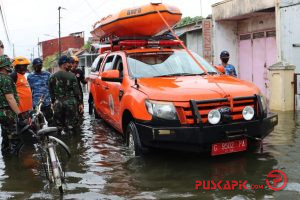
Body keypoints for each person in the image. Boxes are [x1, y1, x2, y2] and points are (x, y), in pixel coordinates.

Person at [49, 55, 83, 133]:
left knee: (59, 127)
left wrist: (53, 102)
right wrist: (80, 103)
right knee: (72, 127)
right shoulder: (72, 76)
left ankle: (60, 143)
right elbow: (77, 91)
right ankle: (73, 143)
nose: (71, 65)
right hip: (71, 104)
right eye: (69, 63)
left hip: (58, 104)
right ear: (64, 64)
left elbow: (51, 92)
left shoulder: (52, 77)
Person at [0, 55, 21, 155]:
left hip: (1, 113)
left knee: (5, 136)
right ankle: (16, 165)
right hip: (7, 112)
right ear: (5, 66)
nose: (10, 66)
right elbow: (10, 98)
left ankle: (7, 161)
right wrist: (19, 113)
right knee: (15, 139)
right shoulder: (6, 79)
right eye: (9, 64)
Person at [27, 58, 53, 125]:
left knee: (51, 121)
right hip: (36, 104)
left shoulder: (47, 74)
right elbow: (29, 91)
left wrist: (53, 101)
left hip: (47, 102)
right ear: (34, 66)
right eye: (37, 65)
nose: (39, 67)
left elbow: (51, 88)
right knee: (38, 123)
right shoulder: (30, 77)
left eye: (40, 65)